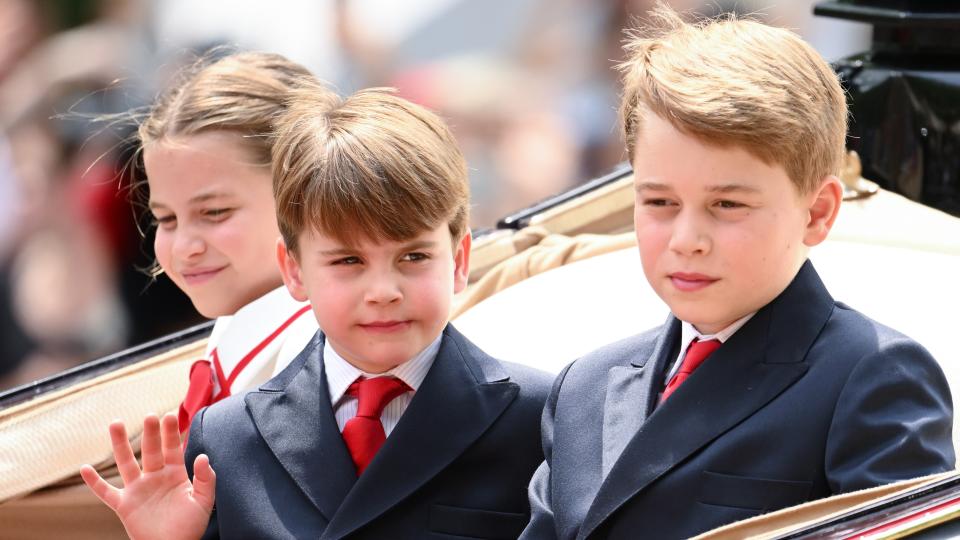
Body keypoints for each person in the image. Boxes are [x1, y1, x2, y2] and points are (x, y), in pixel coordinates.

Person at [521, 5, 955, 539]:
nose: (687, 241)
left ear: (817, 213)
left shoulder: (870, 376)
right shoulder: (584, 386)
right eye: (659, 201)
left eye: (728, 205)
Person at [81, 82, 553, 539]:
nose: (383, 290)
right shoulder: (228, 437)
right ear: (294, 270)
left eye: (413, 257)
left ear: (459, 261)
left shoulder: (537, 414)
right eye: (349, 261)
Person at [130, 51, 324, 432]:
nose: (185, 246)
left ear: (307, 194)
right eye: (165, 219)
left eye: (214, 213)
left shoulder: (317, 368)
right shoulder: (231, 354)